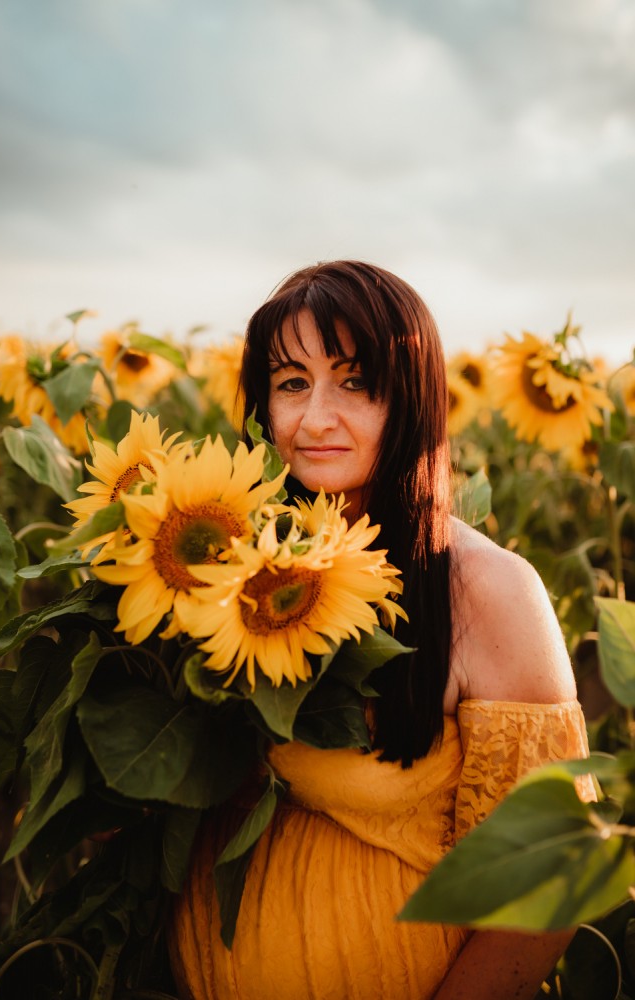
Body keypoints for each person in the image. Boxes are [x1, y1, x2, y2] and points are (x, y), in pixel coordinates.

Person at [170, 261, 594, 999]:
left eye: (355, 383)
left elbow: (549, 874)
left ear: (412, 401)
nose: (314, 418)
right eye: (292, 383)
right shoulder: (235, 565)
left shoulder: (485, 591)